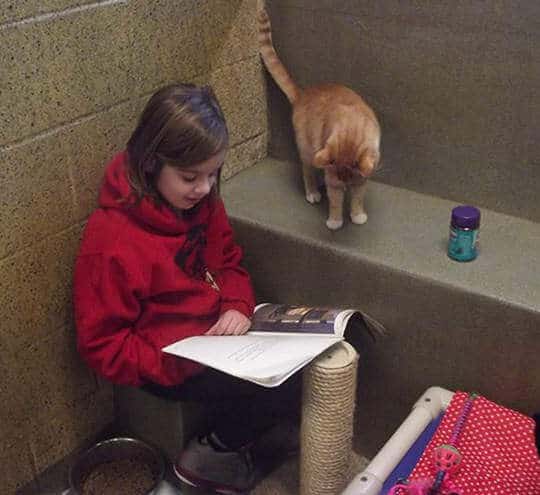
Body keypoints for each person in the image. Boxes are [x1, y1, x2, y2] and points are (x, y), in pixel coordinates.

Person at [73, 83, 301, 494]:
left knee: (298, 370)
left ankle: (232, 439)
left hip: (216, 333)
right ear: (150, 164)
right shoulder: (111, 238)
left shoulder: (201, 201)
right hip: (166, 357)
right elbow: (102, 344)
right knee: (272, 391)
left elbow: (228, 261)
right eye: (190, 177)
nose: (205, 187)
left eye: (214, 174)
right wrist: (172, 362)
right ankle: (209, 456)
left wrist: (235, 305)